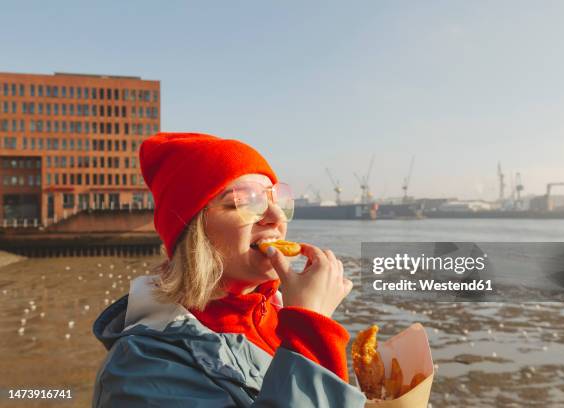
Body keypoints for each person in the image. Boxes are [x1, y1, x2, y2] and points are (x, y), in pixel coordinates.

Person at [92, 132, 367, 407]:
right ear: (195, 228)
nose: (277, 217)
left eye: (278, 200)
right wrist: (311, 332)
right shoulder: (140, 367)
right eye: (248, 202)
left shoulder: (281, 314)